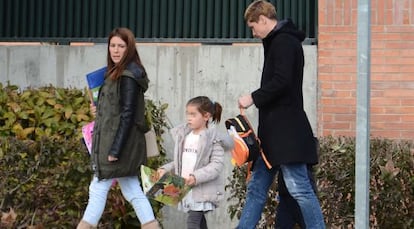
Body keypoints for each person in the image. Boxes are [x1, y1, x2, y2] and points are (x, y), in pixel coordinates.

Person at [236, 1, 325, 228]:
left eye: (253, 27)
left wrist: (253, 98)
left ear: (263, 20)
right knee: (256, 189)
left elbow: (282, 82)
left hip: (287, 136)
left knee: (300, 189)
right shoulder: (279, 42)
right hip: (274, 136)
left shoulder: (284, 43)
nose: (253, 33)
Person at [77, 27, 159, 229]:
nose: (115, 50)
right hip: (120, 144)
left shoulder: (127, 76)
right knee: (132, 189)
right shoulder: (117, 73)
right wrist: (100, 110)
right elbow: (117, 111)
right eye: (112, 45)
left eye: (121, 46)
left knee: (98, 189)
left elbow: (128, 115)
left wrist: (115, 150)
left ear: (129, 48)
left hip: (118, 145)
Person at [157, 96, 233, 229]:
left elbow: (216, 166)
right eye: (187, 113)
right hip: (186, 188)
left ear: (206, 116)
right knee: (199, 222)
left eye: (193, 114)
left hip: (202, 190)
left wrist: (196, 177)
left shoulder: (213, 139)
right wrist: (166, 169)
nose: (188, 117)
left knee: (193, 222)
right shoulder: (184, 136)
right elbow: (179, 162)